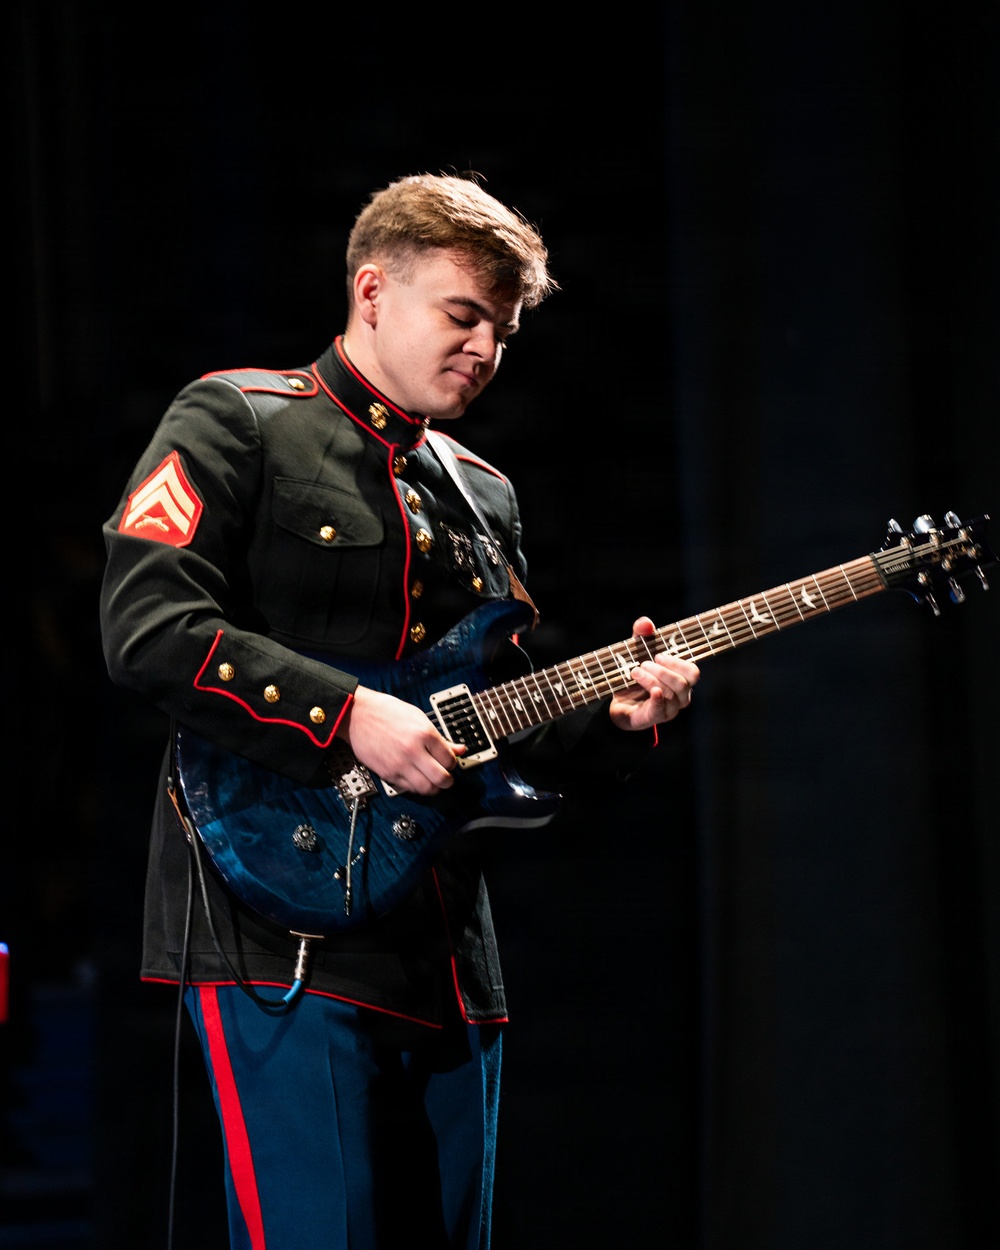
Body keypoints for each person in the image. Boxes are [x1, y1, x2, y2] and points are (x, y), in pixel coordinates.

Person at [99, 171, 699, 1250]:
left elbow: (497, 713)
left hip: (446, 945)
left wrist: (612, 715)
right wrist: (347, 714)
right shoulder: (239, 419)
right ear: (373, 291)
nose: (483, 349)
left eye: (502, 332)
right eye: (461, 316)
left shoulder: (484, 487)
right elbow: (147, 627)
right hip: (272, 919)